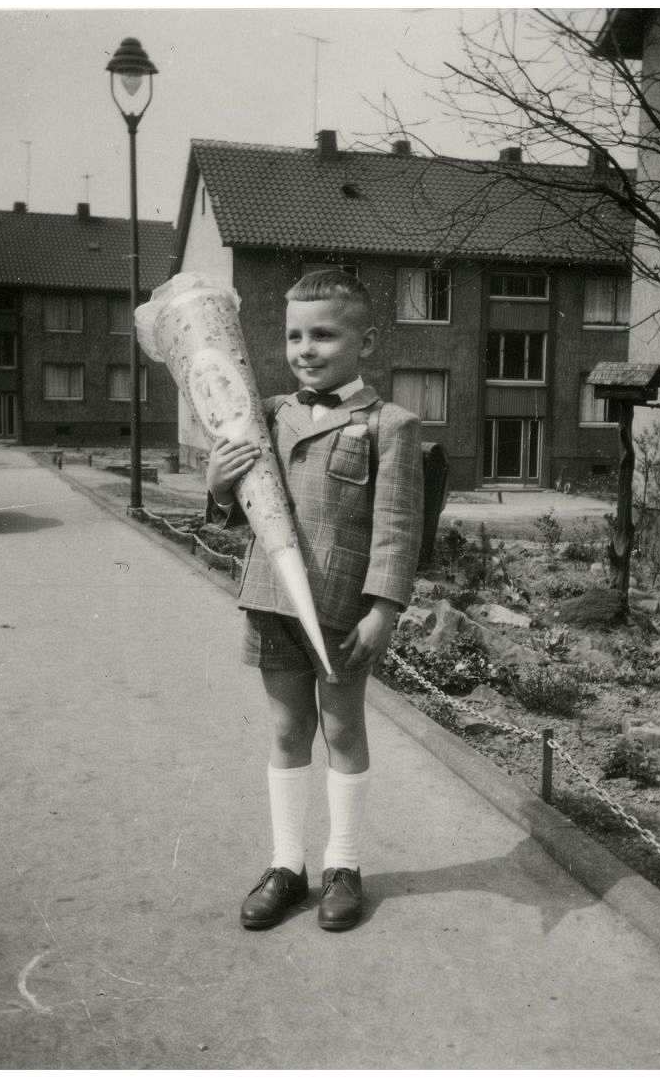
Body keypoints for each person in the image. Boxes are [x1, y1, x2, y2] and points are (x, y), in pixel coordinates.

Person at [206, 269, 424, 932]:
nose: (306, 348)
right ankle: (285, 867)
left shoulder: (390, 425)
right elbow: (243, 513)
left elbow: (396, 528)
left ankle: (344, 866)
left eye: (324, 334)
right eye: (295, 335)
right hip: (273, 600)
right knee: (284, 730)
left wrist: (383, 609)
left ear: (366, 342)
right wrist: (218, 485)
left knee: (341, 729)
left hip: (341, 609)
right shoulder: (266, 415)